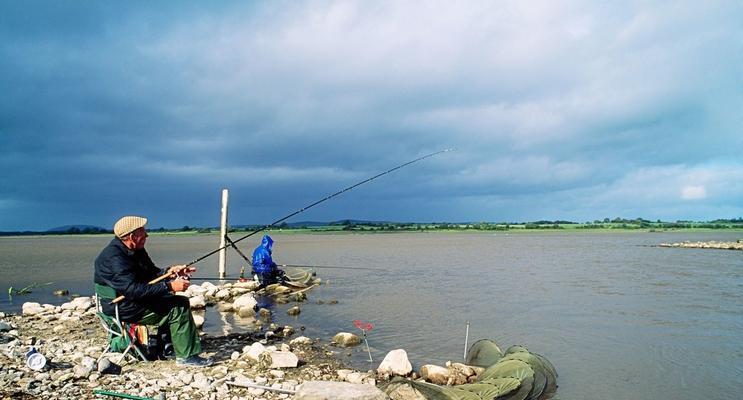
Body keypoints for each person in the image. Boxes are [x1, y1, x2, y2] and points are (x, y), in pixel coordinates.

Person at [94, 216, 212, 367]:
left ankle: (167, 347)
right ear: (132, 236)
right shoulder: (114, 258)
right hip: (121, 307)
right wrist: (170, 286)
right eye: (143, 232)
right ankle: (186, 357)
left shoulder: (135, 249)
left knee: (170, 299)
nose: (147, 235)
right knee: (178, 305)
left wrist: (171, 271)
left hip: (129, 300)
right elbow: (132, 290)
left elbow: (152, 273)